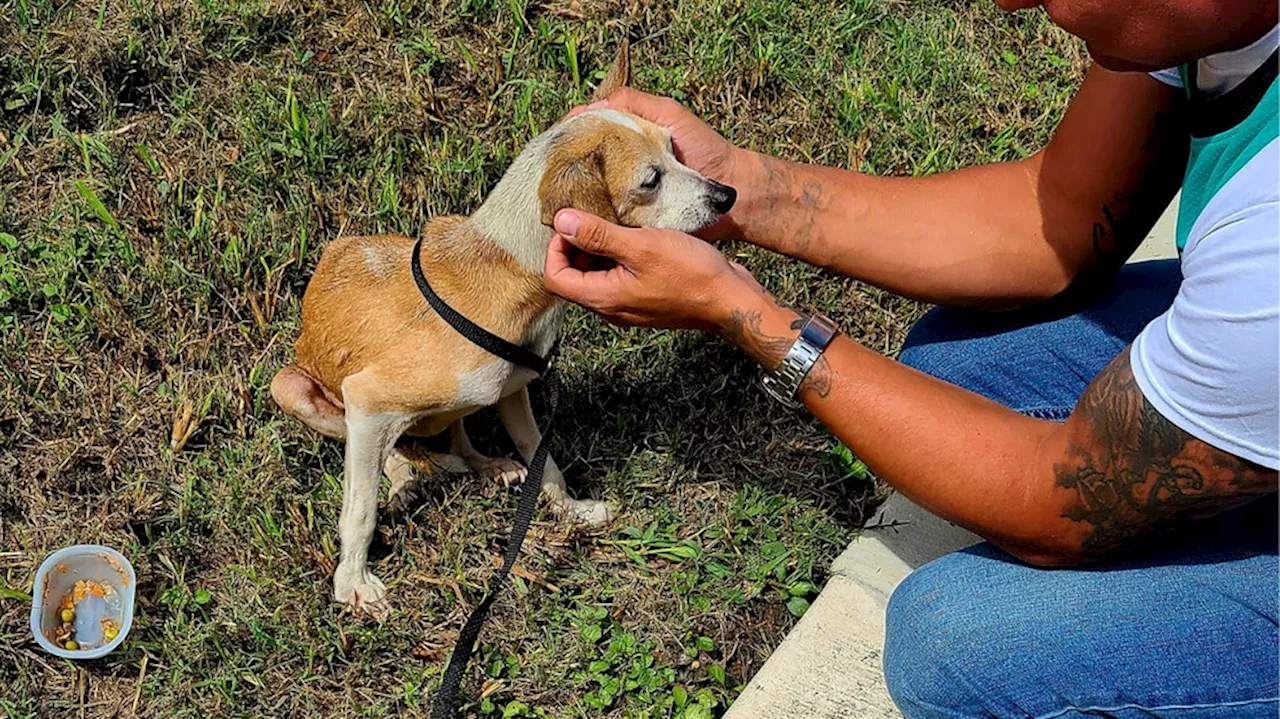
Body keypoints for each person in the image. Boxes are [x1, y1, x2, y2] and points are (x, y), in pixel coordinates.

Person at [543, 1, 1279, 717]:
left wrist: (752, 319)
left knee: (958, 639)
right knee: (954, 367)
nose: (1013, 2)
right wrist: (741, 186)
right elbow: (1051, 214)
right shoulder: (1198, 23)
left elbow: (1057, 502)